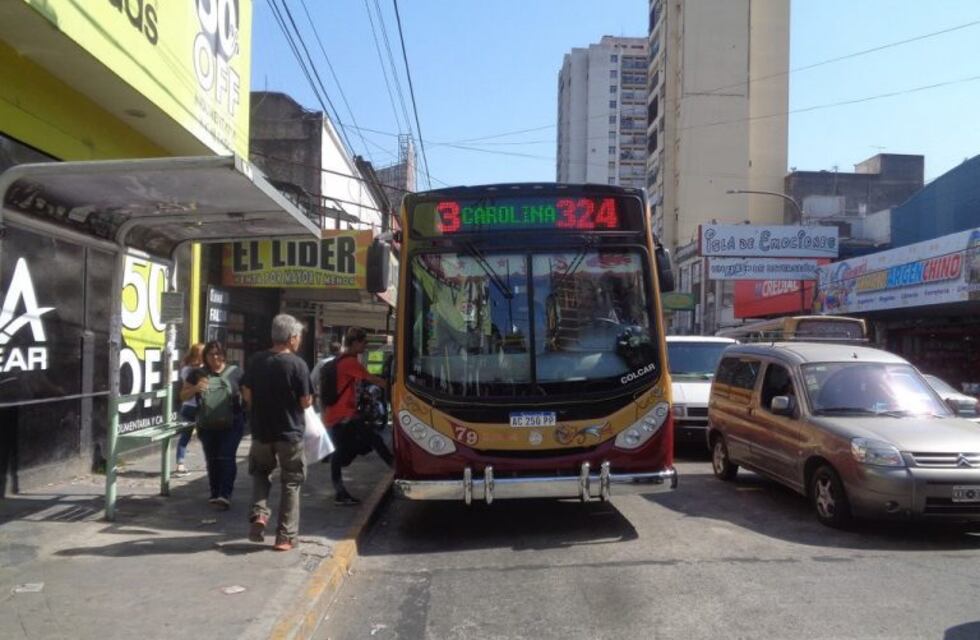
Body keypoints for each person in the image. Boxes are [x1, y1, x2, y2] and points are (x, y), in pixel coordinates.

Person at [241, 314, 313, 551]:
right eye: (298, 336)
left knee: (261, 473)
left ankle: (259, 514)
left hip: (261, 431)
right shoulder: (298, 365)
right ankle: (285, 537)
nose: (299, 340)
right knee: (291, 481)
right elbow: (305, 402)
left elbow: (247, 393)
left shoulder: (256, 361)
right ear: (291, 338)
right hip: (289, 433)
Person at [325, 327, 393, 506]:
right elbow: (373, 379)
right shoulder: (349, 362)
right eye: (364, 342)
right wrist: (397, 387)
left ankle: (340, 492)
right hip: (344, 415)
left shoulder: (342, 360)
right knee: (373, 440)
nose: (366, 346)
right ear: (355, 343)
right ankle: (396, 468)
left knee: (343, 452)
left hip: (338, 415)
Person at [180, 341, 245, 510]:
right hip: (207, 424)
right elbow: (183, 395)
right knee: (212, 458)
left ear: (224, 354)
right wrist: (196, 388)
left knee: (227, 456)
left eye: (218, 353)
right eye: (211, 354)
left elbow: (247, 395)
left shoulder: (236, 372)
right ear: (205, 356)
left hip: (232, 423)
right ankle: (215, 493)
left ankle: (225, 494)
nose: (215, 357)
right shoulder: (197, 374)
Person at [175, 343, 204, 476]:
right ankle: (180, 464)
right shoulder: (190, 370)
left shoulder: (187, 368)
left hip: (190, 405)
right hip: (193, 405)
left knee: (186, 436)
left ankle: (180, 463)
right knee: (188, 435)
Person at [309, 341, 342, 411]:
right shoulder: (343, 363)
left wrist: (314, 397)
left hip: (324, 398)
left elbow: (312, 380)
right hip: (340, 399)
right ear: (340, 351)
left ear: (330, 350)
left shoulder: (322, 363)